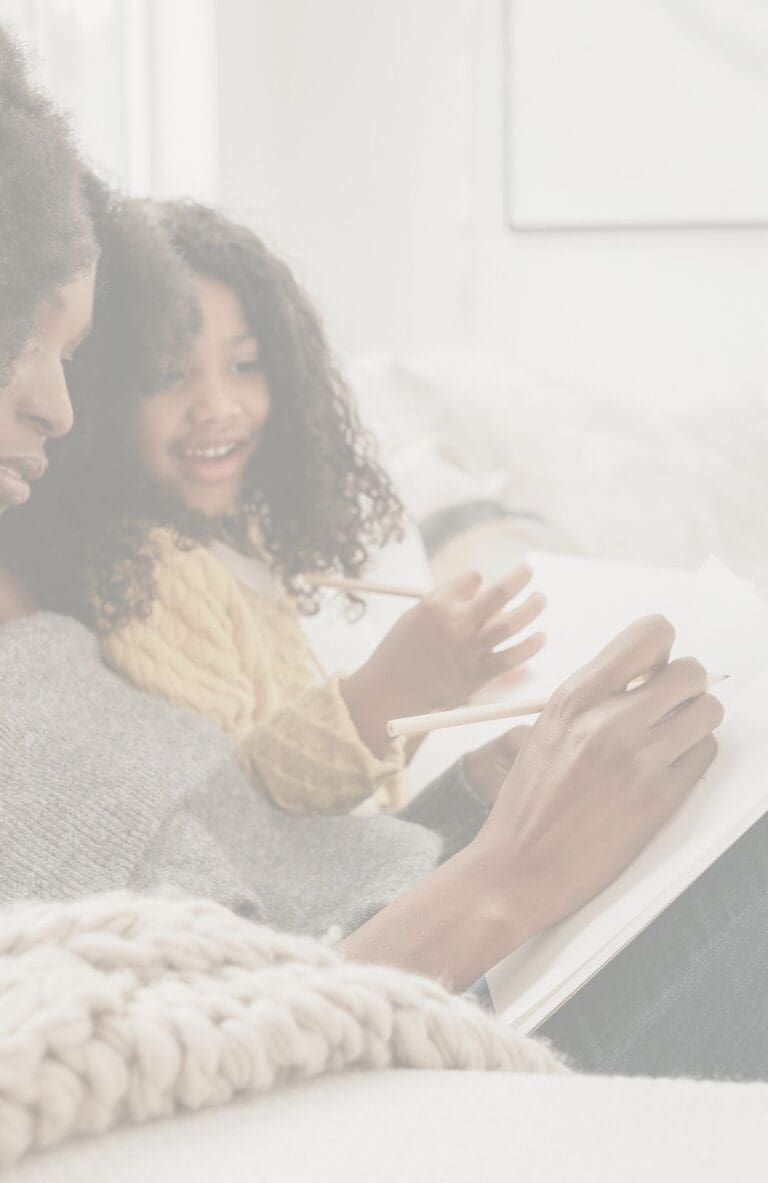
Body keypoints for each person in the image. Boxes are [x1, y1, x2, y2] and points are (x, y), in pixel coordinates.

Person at [0, 26, 764, 1084]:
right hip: (414, 1033)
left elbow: (267, 866)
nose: (57, 403)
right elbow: (182, 1065)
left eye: (69, 351)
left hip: (429, 940)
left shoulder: (57, 590)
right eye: (18, 341)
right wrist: (510, 871)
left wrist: (480, 807)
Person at [10, 201, 546, 815]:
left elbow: (347, 787)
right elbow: (241, 823)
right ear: (101, 397)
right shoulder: (148, 568)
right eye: (168, 374)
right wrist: (392, 692)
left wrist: (436, 686)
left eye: (244, 365)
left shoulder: (243, 536)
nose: (218, 405)